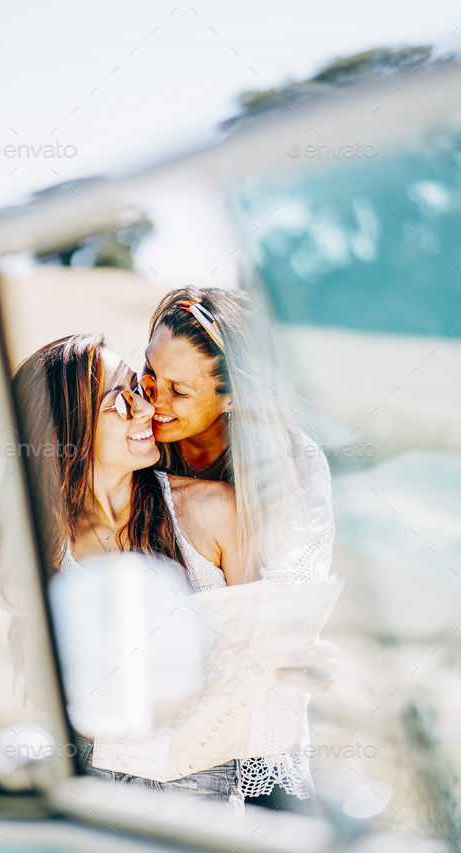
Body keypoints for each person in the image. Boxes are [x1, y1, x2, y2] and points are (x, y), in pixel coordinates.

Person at [0, 333, 248, 807]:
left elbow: (259, 644)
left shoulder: (212, 511)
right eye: (120, 400)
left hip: (201, 784)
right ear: (66, 431)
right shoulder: (48, 541)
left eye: (137, 387)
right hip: (84, 779)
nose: (146, 408)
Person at [143, 285, 337, 801]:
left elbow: (289, 596)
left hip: (245, 721)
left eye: (178, 391)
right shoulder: (132, 437)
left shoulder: (290, 463)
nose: (153, 400)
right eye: (149, 373)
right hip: (153, 721)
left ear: (231, 394)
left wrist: (298, 645)